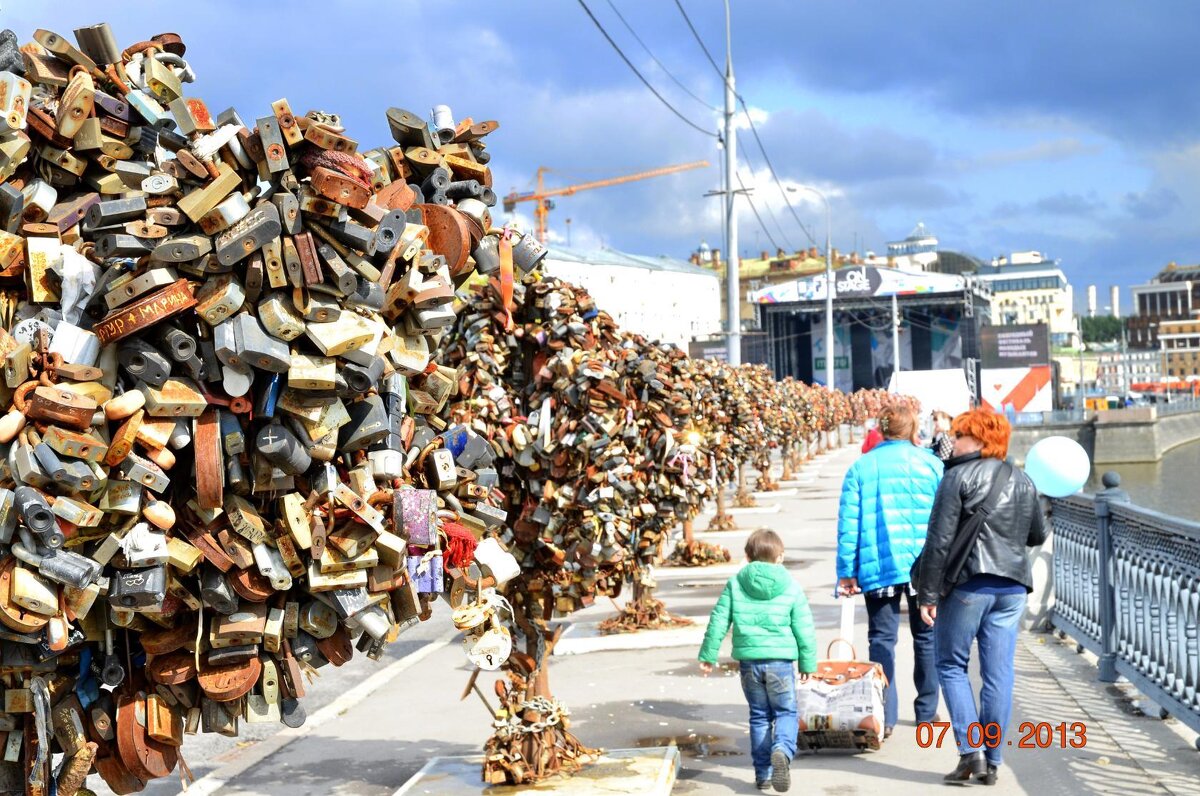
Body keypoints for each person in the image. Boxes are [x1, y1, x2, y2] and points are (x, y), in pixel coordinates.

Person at [916, 409, 1048, 786]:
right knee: (998, 673)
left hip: (969, 586)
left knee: (951, 664)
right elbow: (1036, 535)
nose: (953, 441)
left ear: (979, 440)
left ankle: (969, 753)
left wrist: (927, 595)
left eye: (960, 435)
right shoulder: (1022, 479)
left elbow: (938, 542)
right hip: (1012, 589)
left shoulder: (956, 477)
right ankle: (993, 761)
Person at [836, 404, 943, 738]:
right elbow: (946, 520)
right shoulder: (932, 464)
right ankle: (927, 713)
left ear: (881, 430)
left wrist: (846, 571)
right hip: (923, 567)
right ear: (913, 429)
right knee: (926, 637)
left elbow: (849, 525)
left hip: (878, 564)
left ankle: (886, 714)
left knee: (881, 639)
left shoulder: (861, 468)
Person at [699, 529, 817, 793]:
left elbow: (719, 619)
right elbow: (804, 627)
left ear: (747, 556)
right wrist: (808, 664)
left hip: (750, 664)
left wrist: (708, 654)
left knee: (760, 717)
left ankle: (763, 774)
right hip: (781, 663)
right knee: (786, 712)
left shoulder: (736, 583)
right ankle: (782, 751)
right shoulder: (791, 585)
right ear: (780, 557)